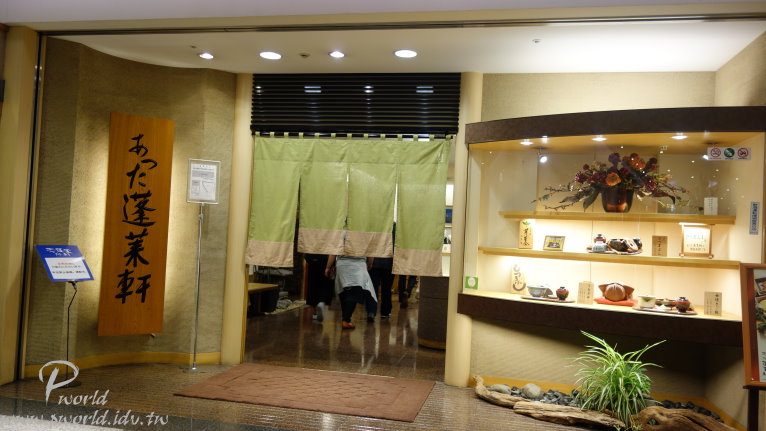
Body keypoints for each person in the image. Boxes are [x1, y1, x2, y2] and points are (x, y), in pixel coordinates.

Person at [325, 255, 376, 329]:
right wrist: (370, 263)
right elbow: (370, 252)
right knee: (354, 292)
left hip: (342, 264)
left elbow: (333, 252)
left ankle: (346, 319)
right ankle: (346, 319)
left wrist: (328, 266)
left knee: (344, 291)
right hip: (359, 265)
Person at [303, 253, 333, 322]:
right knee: (324, 283)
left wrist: (307, 257)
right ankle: (321, 301)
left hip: (312, 256)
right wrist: (329, 266)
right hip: (325, 258)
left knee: (312, 284)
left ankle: (314, 312)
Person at [366, 255, 394, 321]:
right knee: (386, 289)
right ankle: (385, 312)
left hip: (375, 263)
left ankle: (371, 311)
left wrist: (369, 262)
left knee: (373, 288)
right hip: (389, 263)